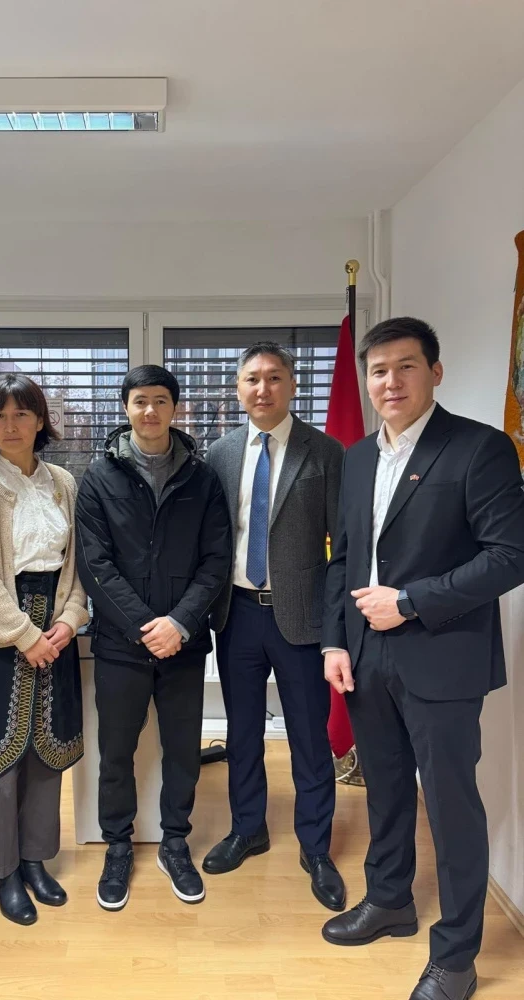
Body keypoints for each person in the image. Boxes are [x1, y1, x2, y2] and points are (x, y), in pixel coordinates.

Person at [320, 317, 524, 1000]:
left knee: (450, 805)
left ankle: (457, 956)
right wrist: (334, 641)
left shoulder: (479, 448)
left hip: (442, 656)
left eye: (405, 366)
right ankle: (390, 901)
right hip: (364, 656)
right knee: (384, 790)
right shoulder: (355, 458)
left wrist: (410, 601)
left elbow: (510, 556)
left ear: (435, 372)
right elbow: (343, 559)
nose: (390, 382)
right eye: (378, 370)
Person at [75, 364, 231, 910]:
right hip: (121, 644)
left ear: (174, 408)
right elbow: (95, 564)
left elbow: (216, 561)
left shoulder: (202, 478)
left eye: (160, 400)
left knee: (182, 750)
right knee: (116, 752)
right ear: (126, 407)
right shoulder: (99, 477)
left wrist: (179, 623)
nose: (150, 410)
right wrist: (146, 627)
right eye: (140, 400)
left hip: (184, 644)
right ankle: (117, 846)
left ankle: (175, 842)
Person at [201, 342, 346, 912]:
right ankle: (248, 828)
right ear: (238, 388)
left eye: (274, 378)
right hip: (236, 614)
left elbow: (342, 549)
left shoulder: (325, 452)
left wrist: (336, 626)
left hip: (302, 617)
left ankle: (316, 846)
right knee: (242, 733)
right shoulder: (220, 453)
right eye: (252, 379)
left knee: (309, 736)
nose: (262, 389)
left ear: (292, 383)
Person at [0, 373, 89, 927]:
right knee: (0, 758)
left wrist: (69, 620)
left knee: (45, 754)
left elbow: (77, 564)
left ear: (40, 420)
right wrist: (24, 634)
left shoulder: (63, 481)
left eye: (21, 414)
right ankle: (0, 871)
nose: (11, 425)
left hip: (55, 628)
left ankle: (34, 859)